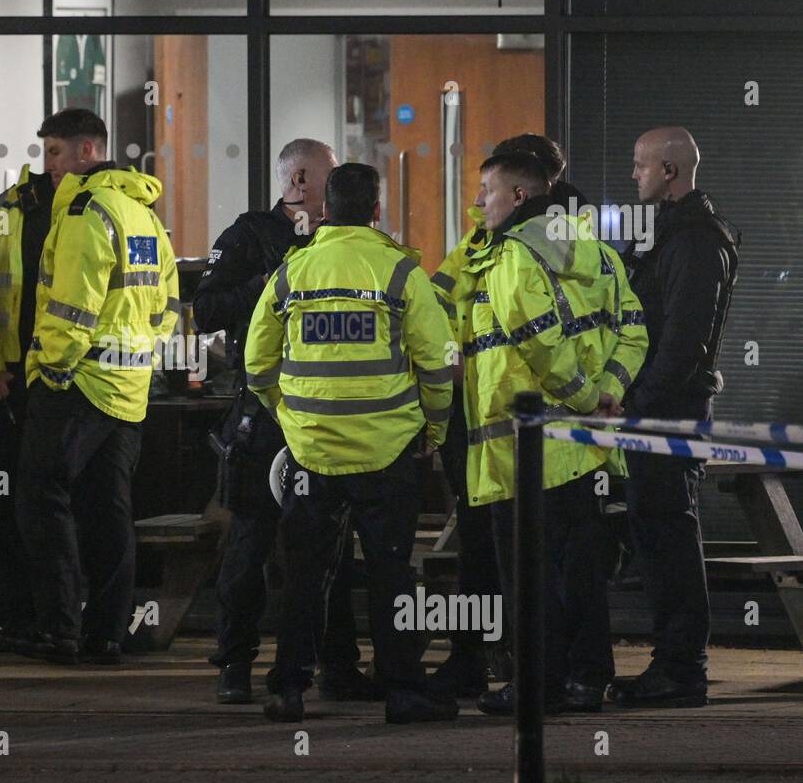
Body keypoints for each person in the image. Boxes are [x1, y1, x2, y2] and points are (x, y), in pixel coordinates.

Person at [245, 163, 458, 724]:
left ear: (323, 211)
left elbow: (256, 364)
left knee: (305, 576)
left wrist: (291, 419)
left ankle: (289, 688)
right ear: (377, 211)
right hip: (389, 454)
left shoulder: (291, 274)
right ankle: (404, 693)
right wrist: (432, 431)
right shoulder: (400, 274)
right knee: (391, 573)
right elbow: (438, 365)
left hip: (312, 454)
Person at [457, 152, 648, 715]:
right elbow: (634, 331)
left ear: (520, 196)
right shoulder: (604, 256)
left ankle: (537, 685)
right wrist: (607, 394)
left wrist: (587, 398)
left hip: (523, 448)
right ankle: (588, 680)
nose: (480, 202)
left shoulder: (514, 255)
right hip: (585, 449)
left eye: (488, 190)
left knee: (527, 575)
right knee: (582, 569)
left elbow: (540, 344)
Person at [195, 138, 382, 705]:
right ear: (299, 179)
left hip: (324, 419)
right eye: (328, 182)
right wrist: (273, 282)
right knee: (250, 543)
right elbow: (206, 311)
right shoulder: (250, 235)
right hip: (265, 416)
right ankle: (235, 663)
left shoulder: (344, 240)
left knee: (330, 547)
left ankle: (338, 666)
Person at [15, 107, 179, 664]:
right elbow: (169, 304)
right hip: (128, 387)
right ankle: (106, 632)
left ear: (88, 151)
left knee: (41, 499)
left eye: (55, 152)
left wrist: (50, 368)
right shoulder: (143, 214)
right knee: (109, 512)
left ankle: (58, 629)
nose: (49, 165)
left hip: (77, 382)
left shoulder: (87, 211)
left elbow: (72, 306)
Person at [427, 133, 588, 699]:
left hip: (518, 421)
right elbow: (442, 302)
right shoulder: (486, 234)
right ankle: (476, 657)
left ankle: (529, 669)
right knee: (483, 550)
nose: (481, 196)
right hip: (479, 416)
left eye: (489, 187)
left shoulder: (551, 238)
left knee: (519, 553)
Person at [612, 127, 739, 708]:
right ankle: (675, 663)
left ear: (669, 171)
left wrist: (637, 403)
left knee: (668, 534)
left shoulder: (692, 240)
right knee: (659, 532)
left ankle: (682, 668)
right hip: (659, 409)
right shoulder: (671, 234)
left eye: (641, 166)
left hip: (668, 413)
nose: (633, 174)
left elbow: (683, 342)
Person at [0, 159, 56, 652]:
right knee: (17, 501)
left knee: (54, 502)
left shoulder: (97, 208)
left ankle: (55, 614)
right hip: (18, 380)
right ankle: (18, 614)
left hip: (69, 380)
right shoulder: (9, 212)